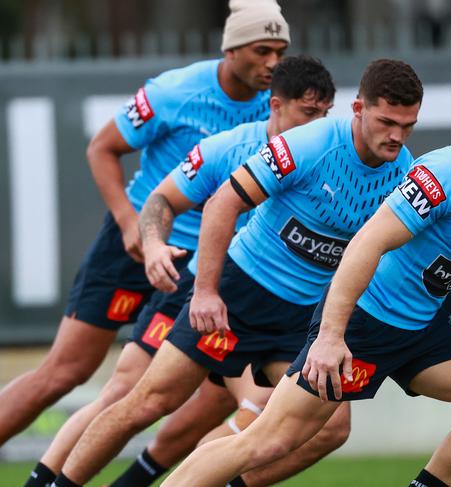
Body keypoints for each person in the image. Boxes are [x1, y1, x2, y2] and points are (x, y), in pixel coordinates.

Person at [162, 93, 451, 487]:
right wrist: (332, 336)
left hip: (425, 323)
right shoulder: (449, 173)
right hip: (366, 323)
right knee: (265, 442)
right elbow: (366, 242)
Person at [51, 58, 424, 487]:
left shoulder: (404, 173)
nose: (396, 136)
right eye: (386, 122)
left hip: (300, 317)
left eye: (407, 125)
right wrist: (206, 292)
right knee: (149, 401)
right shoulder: (308, 144)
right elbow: (223, 202)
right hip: (239, 294)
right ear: (359, 109)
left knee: (332, 428)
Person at [13, 0, 289, 483]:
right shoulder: (176, 91)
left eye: (280, 51)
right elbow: (102, 148)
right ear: (231, 48)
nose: (272, 63)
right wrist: (129, 224)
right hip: (136, 244)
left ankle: (137, 475)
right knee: (66, 373)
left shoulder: (282, 110)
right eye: (262, 50)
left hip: (202, 265)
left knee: (198, 391)